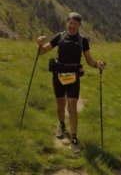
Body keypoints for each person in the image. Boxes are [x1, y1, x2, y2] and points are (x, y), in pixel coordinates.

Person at [36, 12, 105, 153]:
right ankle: (62, 125)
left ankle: (74, 139)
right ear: (67, 23)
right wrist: (40, 44)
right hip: (58, 75)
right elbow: (42, 52)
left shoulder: (82, 40)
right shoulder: (59, 37)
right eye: (70, 23)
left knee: (72, 106)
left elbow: (89, 60)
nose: (72, 26)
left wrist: (97, 65)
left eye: (75, 24)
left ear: (79, 26)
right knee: (60, 105)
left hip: (73, 76)